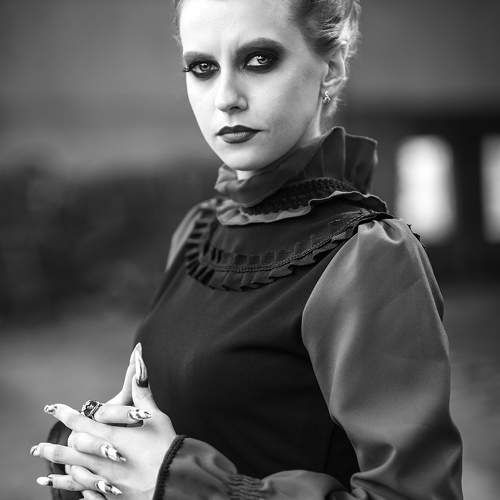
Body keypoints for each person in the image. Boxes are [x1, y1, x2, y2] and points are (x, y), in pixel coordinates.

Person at [30, 0, 464, 498]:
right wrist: (102, 457)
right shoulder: (199, 231)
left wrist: (183, 482)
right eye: (203, 67)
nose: (226, 98)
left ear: (331, 68)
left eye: (259, 60)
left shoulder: (369, 256)